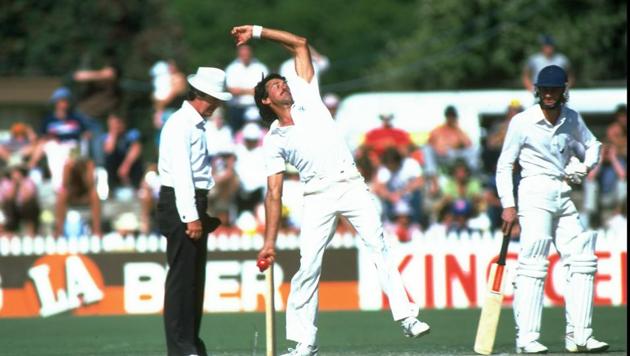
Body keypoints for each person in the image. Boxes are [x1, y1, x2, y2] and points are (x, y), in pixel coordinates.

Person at [231, 24, 429, 356]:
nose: (283, 85)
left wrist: (257, 31)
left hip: (351, 184)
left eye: (283, 81)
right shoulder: (274, 139)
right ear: (266, 100)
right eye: (276, 86)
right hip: (317, 196)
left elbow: (300, 45)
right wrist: (269, 242)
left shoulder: (308, 94)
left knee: (377, 245)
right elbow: (274, 193)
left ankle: (407, 317)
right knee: (308, 266)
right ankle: (304, 342)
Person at [496, 65, 608, 353]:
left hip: (562, 192)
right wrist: (508, 205)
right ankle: (527, 338)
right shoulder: (522, 121)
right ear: (536, 90)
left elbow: (594, 144)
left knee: (582, 259)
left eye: (554, 89)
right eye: (544, 89)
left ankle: (580, 335)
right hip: (533, 191)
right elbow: (505, 164)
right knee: (534, 262)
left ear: (564, 90)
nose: (548, 94)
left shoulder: (571, 118)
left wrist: (585, 167)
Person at [157, 67, 228, 356]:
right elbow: (182, 174)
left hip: (192, 201)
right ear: (204, 96)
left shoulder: (193, 123)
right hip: (181, 202)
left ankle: (190, 342)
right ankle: (181, 346)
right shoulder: (180, 124)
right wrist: (191, 216)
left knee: (193, 280)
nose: (217, 105)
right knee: (182, 280)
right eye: (216, 99)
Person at [224, 44, 269, 133]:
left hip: (257, 107)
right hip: (237, 109)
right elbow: (232, 90)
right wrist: (252, 91)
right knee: (236, 136)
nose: (245, 56)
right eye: (242, 53)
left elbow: (265, 89)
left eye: (247, 53)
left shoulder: (261, 67)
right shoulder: (232, 68)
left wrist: (242, 90)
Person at [102, 112, 144, 193]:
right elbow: (108, 150)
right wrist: (113, 132)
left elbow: (136, 149)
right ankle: (112, 190)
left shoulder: (132, 133)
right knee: (109, 160)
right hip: (114, 167)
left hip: (130, 166)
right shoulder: (107, 137)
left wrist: (125, 166)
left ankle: (136, 188)